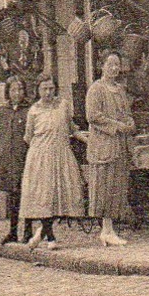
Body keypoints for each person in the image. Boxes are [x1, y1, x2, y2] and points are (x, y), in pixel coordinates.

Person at [19, 77, 86, 249]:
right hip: (41, 157)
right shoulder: (34, 110)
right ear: (38, 90)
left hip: (61, 155)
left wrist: (88, 139)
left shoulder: (63, 105)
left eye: (51, 88)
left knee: (62, 196)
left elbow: (71, 129)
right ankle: (50, 236)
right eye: (44, 89)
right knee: (45, 197)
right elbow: (28, 137)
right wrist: (42, 150)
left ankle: (41, 233)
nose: (48, 92)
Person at [85, 51, 137, 247]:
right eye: (110, 64)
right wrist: (116, 126)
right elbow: (93, 116)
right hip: (104, 145)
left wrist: (130, 123)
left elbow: (126, 113)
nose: (114, 68)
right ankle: (106, 229)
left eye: (117, 65)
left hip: (120, 145)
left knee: (117, 186)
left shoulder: (121, 90)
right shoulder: (96, 89)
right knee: (105, 187)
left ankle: (110, 228)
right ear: (102, 66)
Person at [0, 75, 32, 244]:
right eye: (14, 89)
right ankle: (13, 231)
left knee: (26, 195)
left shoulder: (30, 110)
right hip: (8, 160)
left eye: (20, 89)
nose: (17, 93)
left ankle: (28, 231)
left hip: (24, 158)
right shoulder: (3, 111)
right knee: (12, 196)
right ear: (8, 92)